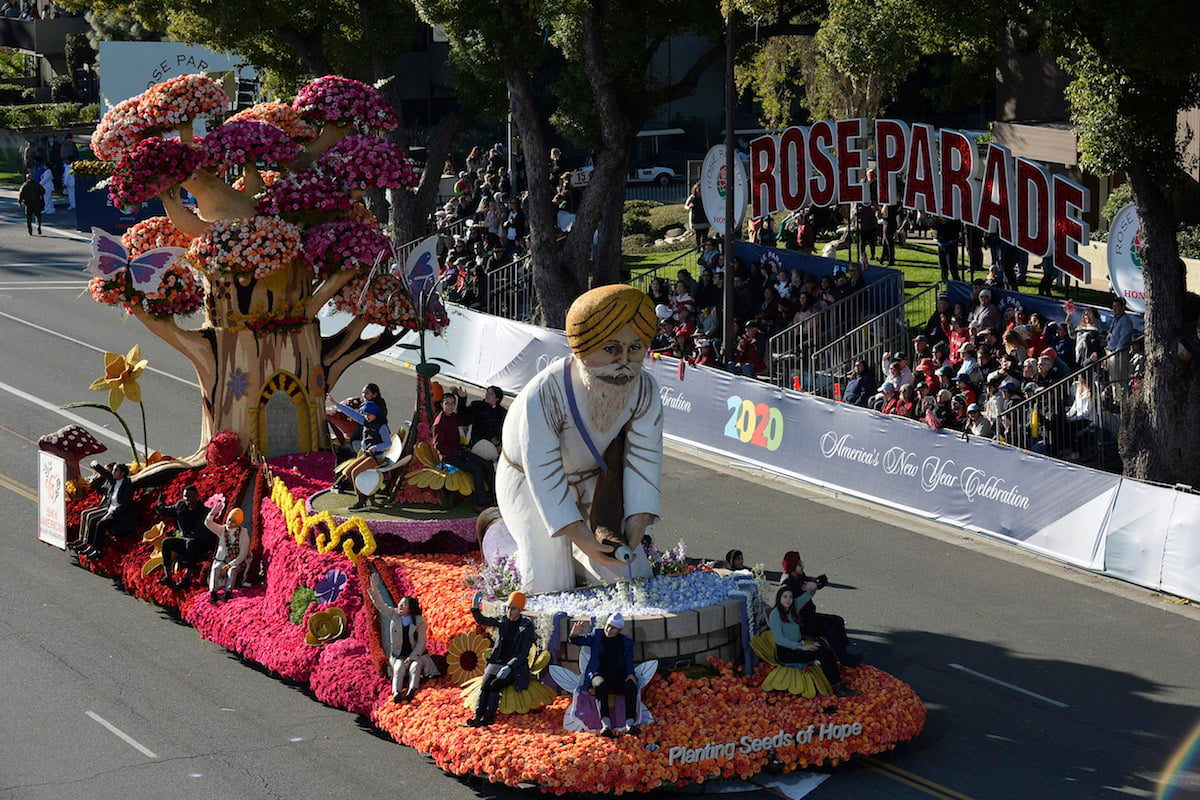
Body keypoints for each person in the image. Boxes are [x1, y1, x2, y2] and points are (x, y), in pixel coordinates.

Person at [493, 285, 662, 593]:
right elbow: (542, 470)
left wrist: (634, 529)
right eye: (611, 349)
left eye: (635, 349)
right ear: (583, 348)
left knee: (633, 575)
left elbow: (644, 461)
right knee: (549, 580)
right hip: (526, 483)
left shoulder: (645, 391)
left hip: (597, 482)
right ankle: (505, 552)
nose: (624, 362)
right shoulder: (545, 393)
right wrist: (580, 538)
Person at [768, 586, 856, 697]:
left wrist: (814, 586)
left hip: (799, 645)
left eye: (790, 597)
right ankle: (837, 688)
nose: (788, 599)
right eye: (784, 597)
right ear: (779, 598)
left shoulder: (793, 607)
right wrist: (800, 646)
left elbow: (807, 595)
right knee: (822, 653)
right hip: (787, 652)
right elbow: (779, 640)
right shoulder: (775, 614)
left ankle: (837, 684)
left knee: (826, 651)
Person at [465, 591, 535, 727]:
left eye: (513, 608)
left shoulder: (526, 626)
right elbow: (483, 621)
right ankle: (477, 716)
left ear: (520, 609)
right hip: (497, 662)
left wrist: (510, 666)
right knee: (485, 683)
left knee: (495, 684)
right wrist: (475, 608)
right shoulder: (503, 620)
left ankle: (488, 718)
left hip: (514, 666)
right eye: (508, 607)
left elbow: (523, 653)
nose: (509, 611)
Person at [779, 551, 861, 666]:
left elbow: (815, 582)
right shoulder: (788, 584)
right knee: (829, 629)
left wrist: (817, 583)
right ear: (792, 567)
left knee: (838, 621)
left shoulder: (799, 576)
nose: (802, 566)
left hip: (809, 616)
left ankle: (843, 654)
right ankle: (844, 660)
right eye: (799, 564)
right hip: (800, 623)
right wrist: (811, 588)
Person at [368, 569, 438, 703]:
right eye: (400, 603)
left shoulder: (419, 621)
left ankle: (412, 690)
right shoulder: (394, 615)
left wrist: (412, 657)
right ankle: (396, 693)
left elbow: (421, 643)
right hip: (399, 655)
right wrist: (375, 589)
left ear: (410, 608)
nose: (400, 605)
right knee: (398, 668)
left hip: (415, 655)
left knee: (414, 667)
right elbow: (380, 606)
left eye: (404, 604)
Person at [569, 614, 640, 736]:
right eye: (608, 626)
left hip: (617, 675)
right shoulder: (597, 635)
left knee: (631, 685)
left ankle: (630, 723)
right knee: (600, 685)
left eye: (613, 628)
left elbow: (629, 660)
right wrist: (573, 634)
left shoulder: (625, 642)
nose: (608, 630)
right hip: (599, 674)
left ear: (619, 630)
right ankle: (606, 724)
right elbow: (578, 640)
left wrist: (630, 674)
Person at [434, 390, 496, 510]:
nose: (450, 406)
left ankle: (495, 497)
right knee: (476, 469)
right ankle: (481, 503)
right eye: (447, 404)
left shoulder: (452, 417)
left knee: (487, 465)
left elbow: (466, 420)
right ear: (442, 404)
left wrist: (464, 399)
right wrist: (457, 453)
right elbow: (439, 446)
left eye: (453, 404)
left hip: (460, 452)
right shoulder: (439, 423)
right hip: (449, 457)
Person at [333, 399, 393, 511]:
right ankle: (364, 493)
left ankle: (361, 501)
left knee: (355, 472)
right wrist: (336, 404)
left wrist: (376, 448)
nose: (366, 416)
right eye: (365, 414)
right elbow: (353, 414)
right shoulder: (365, 421)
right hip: (367, 455)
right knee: (348, 472)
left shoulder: (382, 427)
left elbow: (388, 443)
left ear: (375, 414)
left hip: (377, 457)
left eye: (369, 414)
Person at [74, 461, 135, 559]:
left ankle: (98, 550)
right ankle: (90, 546)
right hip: (110, 510)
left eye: (116, 471)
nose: (113, 472)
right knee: (93, 520)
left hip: (118, 513)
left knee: (100, 524)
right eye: (114, 470)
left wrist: (113, 513)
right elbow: (105, 473)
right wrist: (95, 465)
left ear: (122, 474)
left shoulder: (126, 486)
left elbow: (124, 505)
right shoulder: (114, 481)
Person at [156, 485, 214, 588]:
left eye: (189, 496)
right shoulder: (181, 506)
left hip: (200, 543)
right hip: (185, 540)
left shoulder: (204, 511)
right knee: (166, 542)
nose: (187, 499)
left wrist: (196, 536)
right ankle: (168, 576)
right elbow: (167, 511)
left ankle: (187, 577)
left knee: (190, 543)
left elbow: (208, 534)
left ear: (196, 496)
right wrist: (161, 507)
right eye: (185, 496)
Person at [204, 504, 250, 602]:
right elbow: (208, 523)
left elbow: (243, 554)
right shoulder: (222, 530)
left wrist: (230, 565)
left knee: (232, 571)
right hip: (221, 561)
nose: (230, 523)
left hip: (235, 562)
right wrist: (212, 514)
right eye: (229, 520)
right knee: (216, 568)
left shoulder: (243, 534)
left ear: (237, 523)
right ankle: (213, 593)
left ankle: (227, 593)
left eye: (233, 521)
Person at [461, 385, 507, 460]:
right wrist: (462, 399)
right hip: (478, 445)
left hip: (495, 449)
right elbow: (463, 415)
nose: (487, 395)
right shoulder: (477, 405)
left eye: (491, 393)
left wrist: (499, 445)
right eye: (487, 392)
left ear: (497, 398)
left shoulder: (502, 412)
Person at [18, 171, 44, 236]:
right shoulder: (37, 185)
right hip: (36, 203)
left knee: (28, 218)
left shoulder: (24, 186)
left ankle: (30, 230)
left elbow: (21, 194)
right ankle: (39, 227)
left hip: (28, 204)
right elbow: (43, 191)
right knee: (38, 216)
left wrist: (20, 202)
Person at [685, 183, 709, 250]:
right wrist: (689, 207)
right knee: (698, 235)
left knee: (705, 235)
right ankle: (698, 248)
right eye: (699, 190)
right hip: (696, 219)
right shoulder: (692, 197)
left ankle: (704, 248)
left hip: (705, 218)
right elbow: (686, 206)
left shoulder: (706, 197)